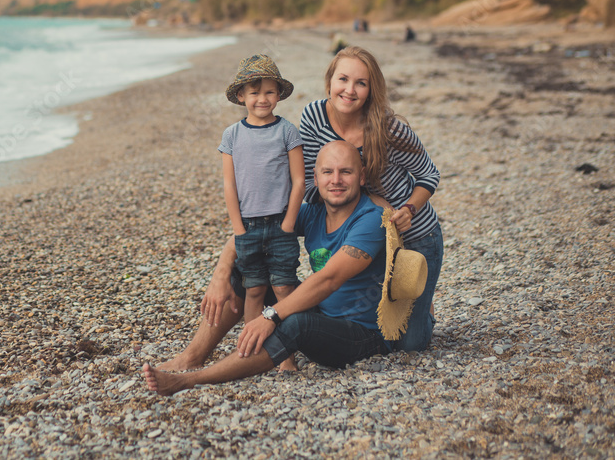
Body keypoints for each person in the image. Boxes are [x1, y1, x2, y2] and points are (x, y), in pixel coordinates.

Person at [143, 142, 390, 396]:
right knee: (247, 266)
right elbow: (250, 235)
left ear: (361, 177)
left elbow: (329, 279)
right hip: (323, 313)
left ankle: (188, 381)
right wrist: (220, 276)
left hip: (362, 335)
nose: (336, 180)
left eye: (345, 172)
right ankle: (192, 356)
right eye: (328, 172)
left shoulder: (372, 219)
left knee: (297, 324)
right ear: (315, 179)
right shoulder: (314, 213)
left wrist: (270, 316)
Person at [299, 46, 442, 352]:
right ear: (329, 82)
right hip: (362, 231)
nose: (349, 90)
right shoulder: (313, 117)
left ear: (371, 90)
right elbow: (313, 185)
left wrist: (409, 208)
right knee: (370, 323)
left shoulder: (390, 129)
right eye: (343, 79)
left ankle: (424, 309)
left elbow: (429, 176)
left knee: (410, 344)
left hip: (412, 235)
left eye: (361, 83)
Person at [220, 55, 305, 346]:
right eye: (254, 93)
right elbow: (229, 184)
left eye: (269, 91)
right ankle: (252, 348)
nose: (262, 99)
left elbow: (299, 181)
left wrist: (289, 222)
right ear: (241, 96)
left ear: (279, 94)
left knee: (283, 287)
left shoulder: (287, 131)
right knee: (254, 289)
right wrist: (238, 229)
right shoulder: (231, 135)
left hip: (281, 223)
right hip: (248, 227)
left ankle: (287, 352)